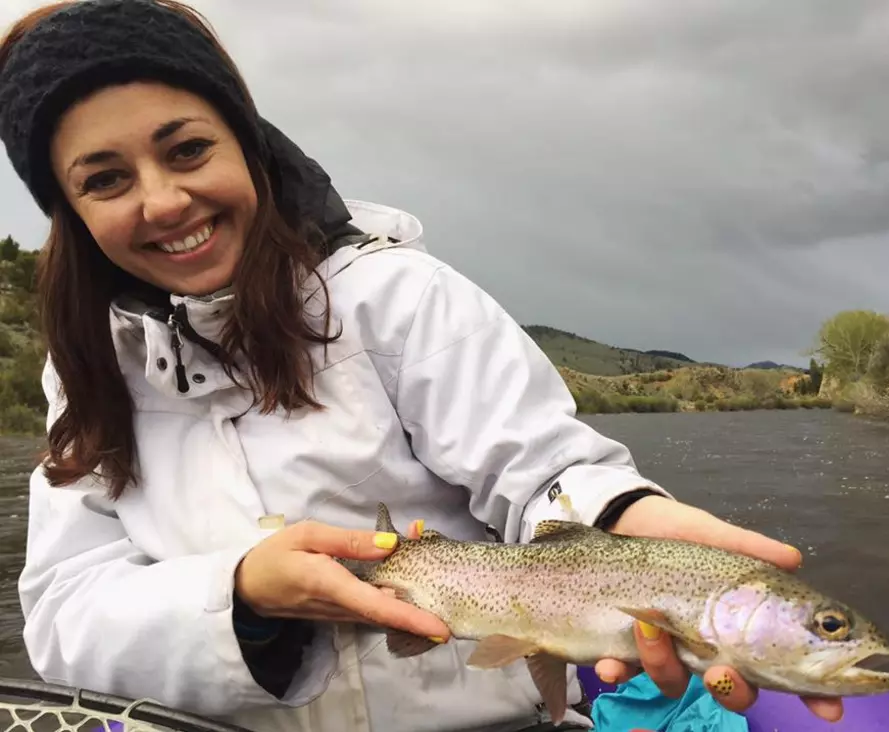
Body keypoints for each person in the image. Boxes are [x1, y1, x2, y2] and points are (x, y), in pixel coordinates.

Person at [0, 2, 843, 731]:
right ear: (68, 211)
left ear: (250, 144)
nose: (164, 200)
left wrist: (621, 512)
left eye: (186, 150)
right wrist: (244, 596)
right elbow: (67, 612)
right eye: (106, 179)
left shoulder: (393, 295)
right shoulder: (84, 370)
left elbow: (542, 468)